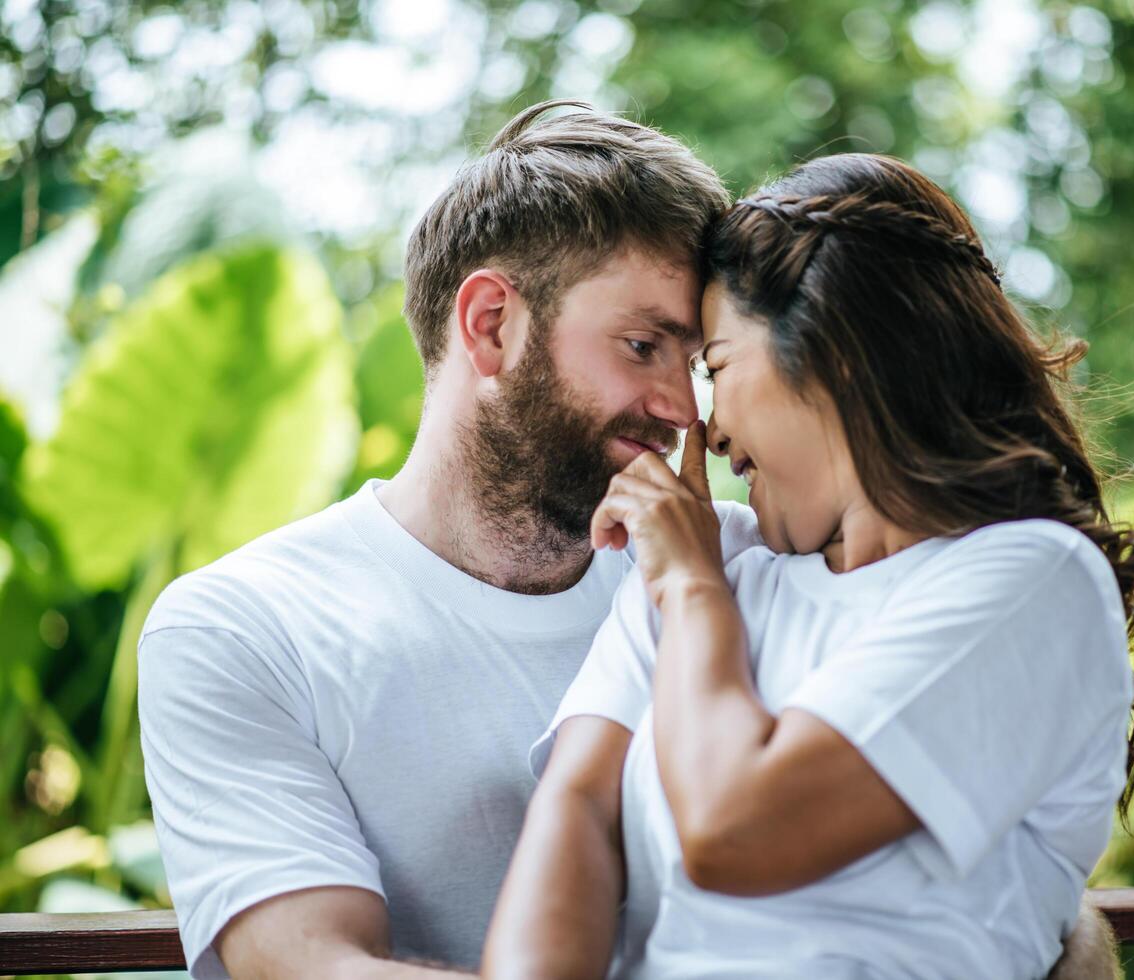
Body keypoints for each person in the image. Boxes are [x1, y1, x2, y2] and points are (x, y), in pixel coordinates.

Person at [483, 153, 1134, 979]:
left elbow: (738, 831)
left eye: (718, 368)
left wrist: (692, 593)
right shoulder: (718, 550)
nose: (705, 428)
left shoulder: (1031, 582)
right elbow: (579, 813)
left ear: (837, 353)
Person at [136, 100, 763, 979]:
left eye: (692, 361)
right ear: (490, 324)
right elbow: (311, 964)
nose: (682, 408)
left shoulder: (742, 565)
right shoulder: (244, 627)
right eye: (641, 344)